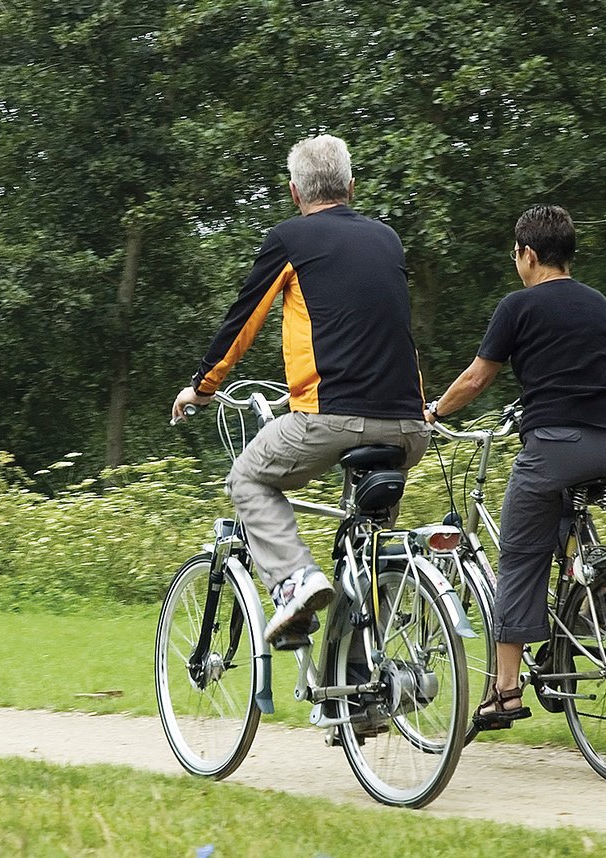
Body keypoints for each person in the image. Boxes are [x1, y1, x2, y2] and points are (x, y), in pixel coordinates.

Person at [171, 134, 429, 649]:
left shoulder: (292, 239)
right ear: (351, 187)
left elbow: (243, 321)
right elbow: (371, 329)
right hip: (409, 425)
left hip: (331, 418)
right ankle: (360, 693)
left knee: (247, 478)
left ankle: (293, 579)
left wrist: (202, 386)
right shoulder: (388, 239)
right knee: (366, 550)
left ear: (294, 193)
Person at [424, 204, 606, 728]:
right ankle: (592, 596)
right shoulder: (600, 303)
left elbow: (477, 378)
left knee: (519, 558)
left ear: (530, 254)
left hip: (556, 444)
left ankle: (505, 691)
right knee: (563, 522)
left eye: (515, 252)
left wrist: (433, 411)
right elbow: (589, 366)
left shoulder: (518, 306)